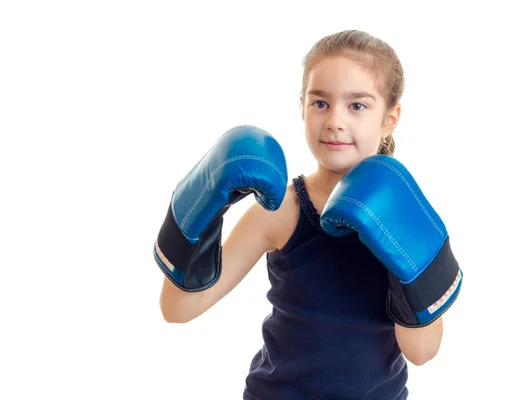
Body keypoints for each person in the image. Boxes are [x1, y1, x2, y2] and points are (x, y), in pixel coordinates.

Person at [154, 29, 463, 399]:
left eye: (357, 105)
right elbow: (178, 309)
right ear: (302, 105)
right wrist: (202, 212)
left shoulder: (401, 213)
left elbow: (422, 352)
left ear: (389, 119)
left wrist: (407, 272)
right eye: (320, 103)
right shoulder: (280, 210)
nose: (335, 120)